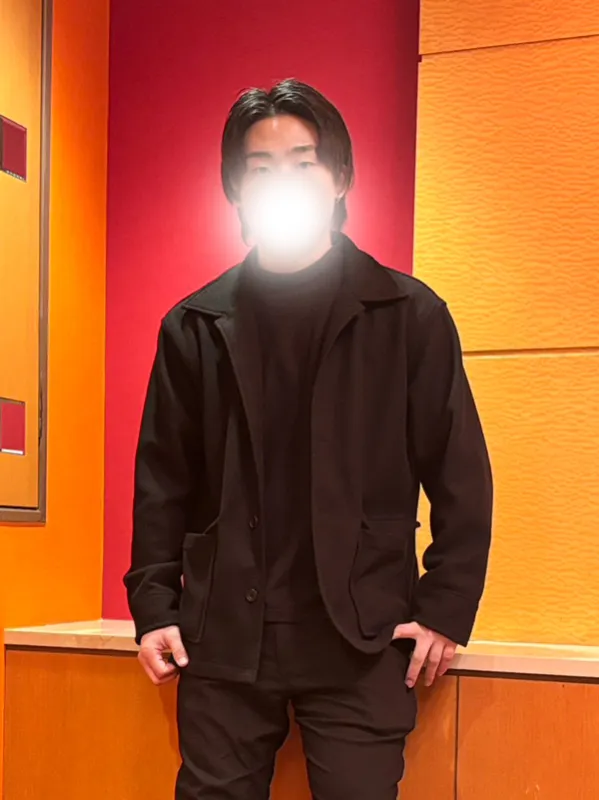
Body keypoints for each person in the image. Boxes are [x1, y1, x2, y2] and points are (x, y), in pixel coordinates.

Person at [124, 78, 493, 800]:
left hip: (362, 638)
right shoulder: (194, 325)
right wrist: (154, 607)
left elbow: (460, 474)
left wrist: (445, 608)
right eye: (259, 168)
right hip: (224, 638)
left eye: (303, 162)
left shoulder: (408, 315)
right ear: (235, 188)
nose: (282, 182)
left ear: (339, 177)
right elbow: (161, 482)